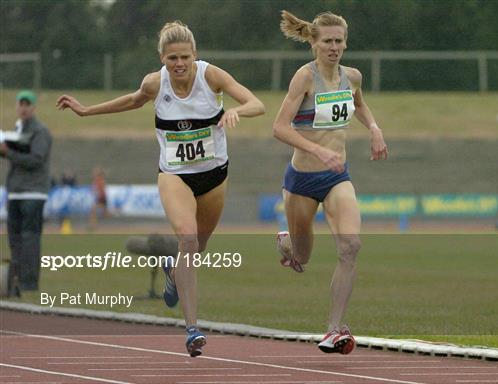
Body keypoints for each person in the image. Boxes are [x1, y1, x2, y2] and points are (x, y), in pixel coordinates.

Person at [57, 20, 265, 357]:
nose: (179, 64)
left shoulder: (211, 76)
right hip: (174, 175)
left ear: (195, 55)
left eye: (184, 57)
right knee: (187, 237)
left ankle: (172, 271)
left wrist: (236, 112)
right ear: (162, 59)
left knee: (197, 251)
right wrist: (85, 111)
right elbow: (132, 100)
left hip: (214, 176)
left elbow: (257, 103)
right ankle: (193, 329)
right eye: (172, 59)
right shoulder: (155, 83)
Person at [272, 11, 388, 355]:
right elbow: (279, 127)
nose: (334, 47)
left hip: (338, 177)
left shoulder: (352, 76)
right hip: (302, 181)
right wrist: (317, 151)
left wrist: (375, 128)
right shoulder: (304, 78)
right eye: (327, 41)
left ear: (345, 42)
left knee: (351, 247)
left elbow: (360, 106)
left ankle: (334, 329)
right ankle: (287, 244)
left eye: (339, 41)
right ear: (314, 43)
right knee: (302, 256)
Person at [0, 90, 53, 295]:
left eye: (27, 104)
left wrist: (8, 152)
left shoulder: (40, 131)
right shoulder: (17, 128)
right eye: (20, 104)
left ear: (33, 108)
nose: (23, 108)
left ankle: (29, 283)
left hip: (33, 192)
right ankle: (14, 280)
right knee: (14, 238)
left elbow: (36, 159)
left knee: (29, 238)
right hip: (15, 191)